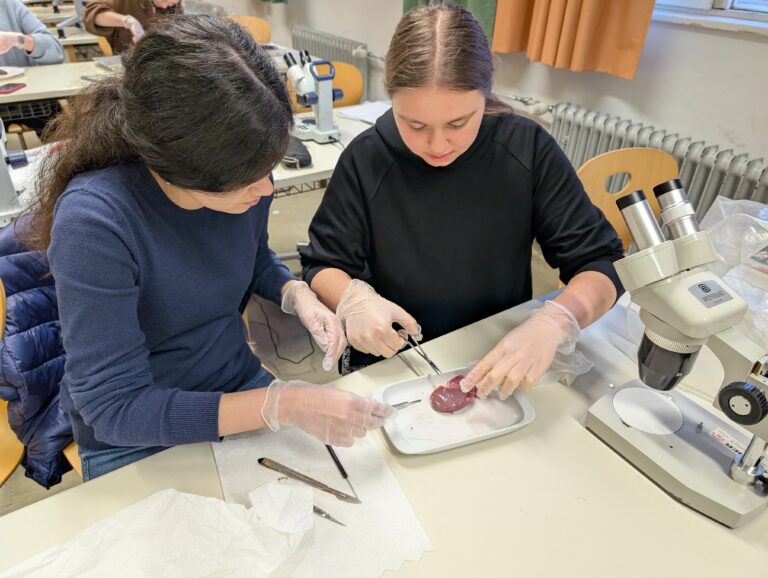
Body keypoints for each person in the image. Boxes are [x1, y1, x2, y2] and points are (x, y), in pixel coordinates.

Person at [21, 15, 393, 480]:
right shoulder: (96, 221)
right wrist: (283, 403)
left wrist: (292, 293)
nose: (264, 189)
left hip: (236, 382)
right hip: (138, 430)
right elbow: (114, 407)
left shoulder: (245, 166)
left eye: (268, 166)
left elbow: (250, 254)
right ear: (170, 164)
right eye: (242, 180)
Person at [300, 3, 625, 399]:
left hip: (499, 353)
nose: (437, 146)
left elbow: (601, 265)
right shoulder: (368, 157)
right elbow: (322, 264)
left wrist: (556, 321)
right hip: (396, 357)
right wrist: (352, 298)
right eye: (415, 125)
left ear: (485, 97)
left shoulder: (527, 148)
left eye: (458, 123)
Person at [0, 0, 64, 136]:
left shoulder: (10, 5)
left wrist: (18, 40)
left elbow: (56, 50)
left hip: (33, 102)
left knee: (64, 141)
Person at [85, 0, 182, 54]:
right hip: (127, 57)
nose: (165, 7)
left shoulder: (174, 4)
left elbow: (179, 27)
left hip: (158, 57)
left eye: (171, 4)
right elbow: (93, 14)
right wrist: (129, 21)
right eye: (164, 1)